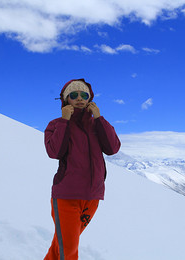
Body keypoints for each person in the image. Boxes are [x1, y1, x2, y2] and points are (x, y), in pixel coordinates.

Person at [44, 79, 121, 260]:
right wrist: (65, 121)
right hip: (66, 196)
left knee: (61, 245)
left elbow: (113, 148)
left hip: (92, 197)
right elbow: (54, 151)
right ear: (65, 100)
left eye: (84, 95)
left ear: (90, 99)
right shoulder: (56, 124)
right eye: (74, 95)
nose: (79, 99)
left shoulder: (96, 124)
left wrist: (99, 118)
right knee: (69, 249)